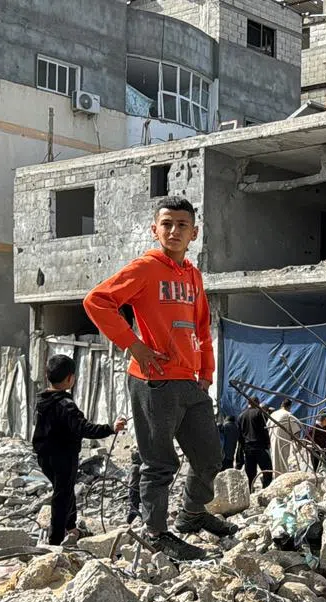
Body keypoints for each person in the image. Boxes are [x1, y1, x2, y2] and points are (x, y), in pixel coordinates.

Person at [83, 195, 236, 562]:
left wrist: (206, 373)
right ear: (155, 230)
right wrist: (134, 346)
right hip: (153, 380)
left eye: (181, 225)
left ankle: (191, 515)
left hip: (190, 381)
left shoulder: (194, 277)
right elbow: (96, 301)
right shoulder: (146, 268)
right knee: (159, 463)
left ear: (194, 233)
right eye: (166, 224)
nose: (173, 230)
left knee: (210, 458)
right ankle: (156, 534)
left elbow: (201, 327)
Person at [32, 355, 126, 546]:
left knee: (65, 491)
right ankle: (56, 540)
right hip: (64, 456)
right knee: (62, 495)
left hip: (44, 456)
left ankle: (71, 527)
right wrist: (110, 428)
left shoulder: (42, 401)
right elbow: (84, 428)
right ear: (70, 378)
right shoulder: (66, 406)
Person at [237, 397, 272, 490]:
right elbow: (264, 430)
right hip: (259, 446)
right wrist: (268, 443)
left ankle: (250, 491)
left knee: (250, 473)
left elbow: (240, 435)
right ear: (257, 402)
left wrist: (243, 446)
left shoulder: (241, 416)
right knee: (267, 470)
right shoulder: (259, 413)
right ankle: (266, 489)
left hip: (248, 448)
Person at [269, 399, 302, 475]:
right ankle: (281, 479)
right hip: (283, 442)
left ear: (281, 405)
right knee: (282, 462)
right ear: (290, 406)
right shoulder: (288, 415)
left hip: (272, 441)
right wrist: (298, 445)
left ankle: (275, 478)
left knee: (274, 461)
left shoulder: (273, 414)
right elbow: (296, 431)